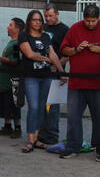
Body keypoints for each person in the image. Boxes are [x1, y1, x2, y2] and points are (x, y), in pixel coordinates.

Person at [59, 4, 100, 160]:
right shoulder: (75, 28)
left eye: (93, 20)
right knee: (73, 116)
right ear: (84, 18)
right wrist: (76, 49)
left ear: (99, 18)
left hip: (99, 82)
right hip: (77, 82)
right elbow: (63, 50)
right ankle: (73, 146)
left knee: (98, 117)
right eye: (88, 20)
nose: (90, 24)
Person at [18, 10, 66, 153]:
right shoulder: (23, 35)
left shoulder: (46, 36)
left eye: (39, 20)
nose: (38, 22)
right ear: (29, 21)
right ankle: (30, 139)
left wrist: (61, 72)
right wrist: (46, 59)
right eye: (35, 20)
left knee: (41, 108)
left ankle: (36, 139)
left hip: (46, 77)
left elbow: (54, 55)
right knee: (33, 107)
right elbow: (30, 54)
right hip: (31, 77)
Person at [37, 3, 70, 146]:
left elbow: (68, 54)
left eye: (50, 16)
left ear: (57, 14)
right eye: (45, 16)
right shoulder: (43, 28)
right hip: (42, 71)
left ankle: (52, 136)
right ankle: (41, 135)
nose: (48, 19)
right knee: (41, 105)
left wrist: (57, 68)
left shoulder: (65, 30)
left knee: (53, 106)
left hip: (56, 73)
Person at [0, 18, 25, 139]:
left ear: (17, 29)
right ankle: (7, 126)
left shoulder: (16, 44)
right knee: (6, 103)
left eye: (10, 25)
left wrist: (0, 59)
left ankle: (17, 128)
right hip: (5, 82)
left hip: (12, 81)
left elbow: (14, 61)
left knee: (14, 104)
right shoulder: (11, 42)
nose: (7, 27)